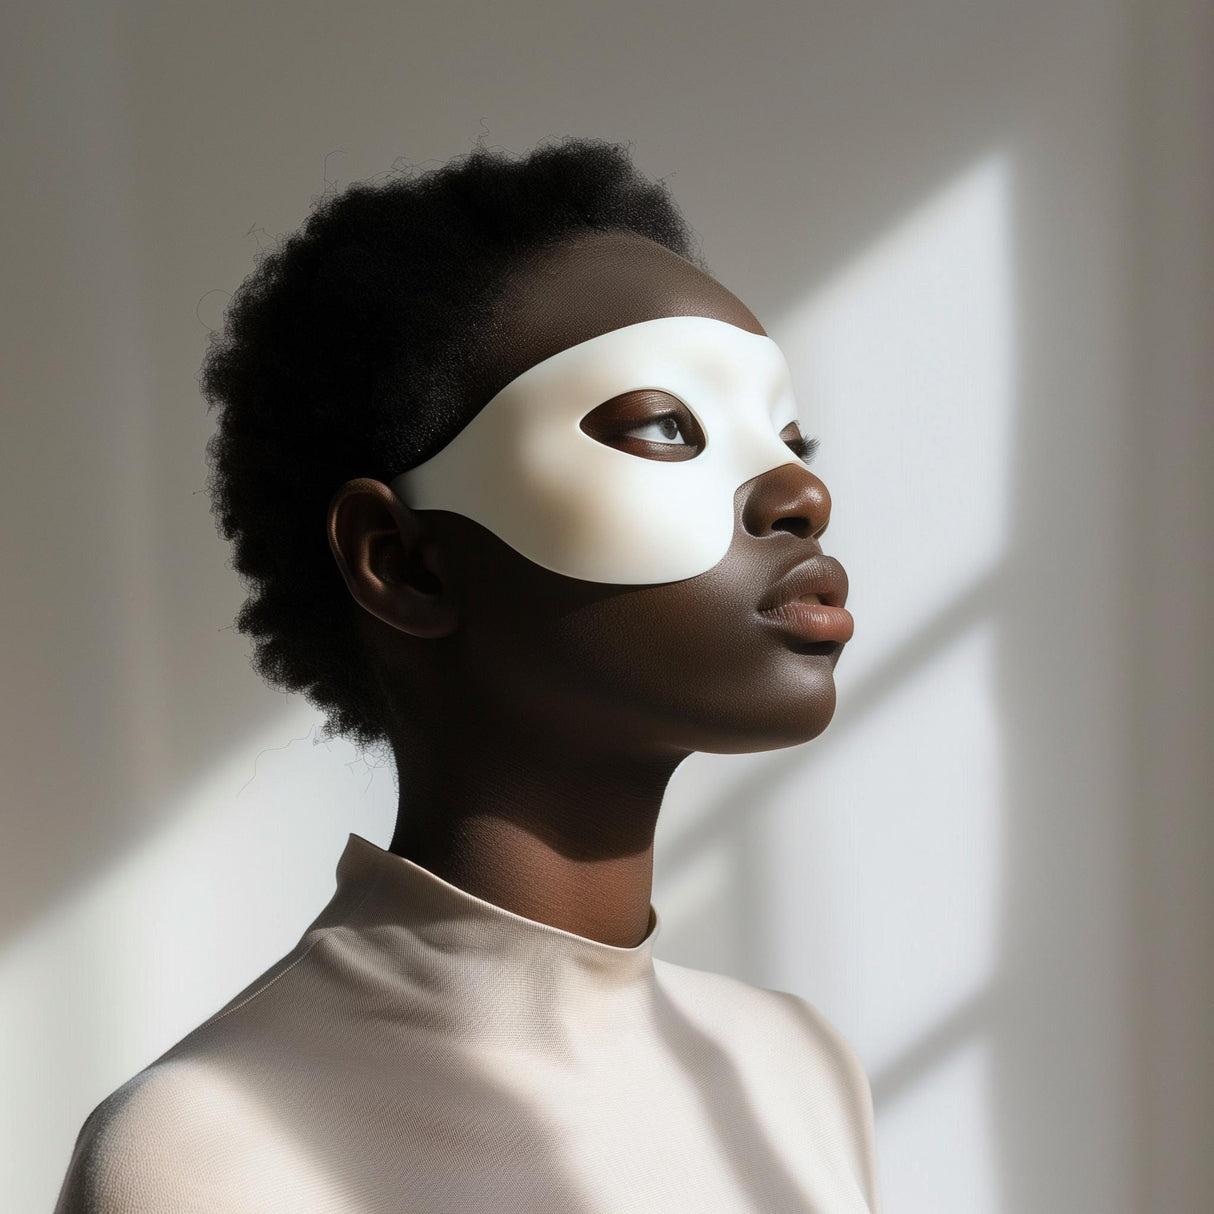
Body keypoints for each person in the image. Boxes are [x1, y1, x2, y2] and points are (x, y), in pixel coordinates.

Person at [54, 137, 880, 1213]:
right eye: (665, 428)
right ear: (404, 560)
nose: (796, 489)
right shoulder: (199, 1153)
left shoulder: (796, 1071)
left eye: (788, 433)